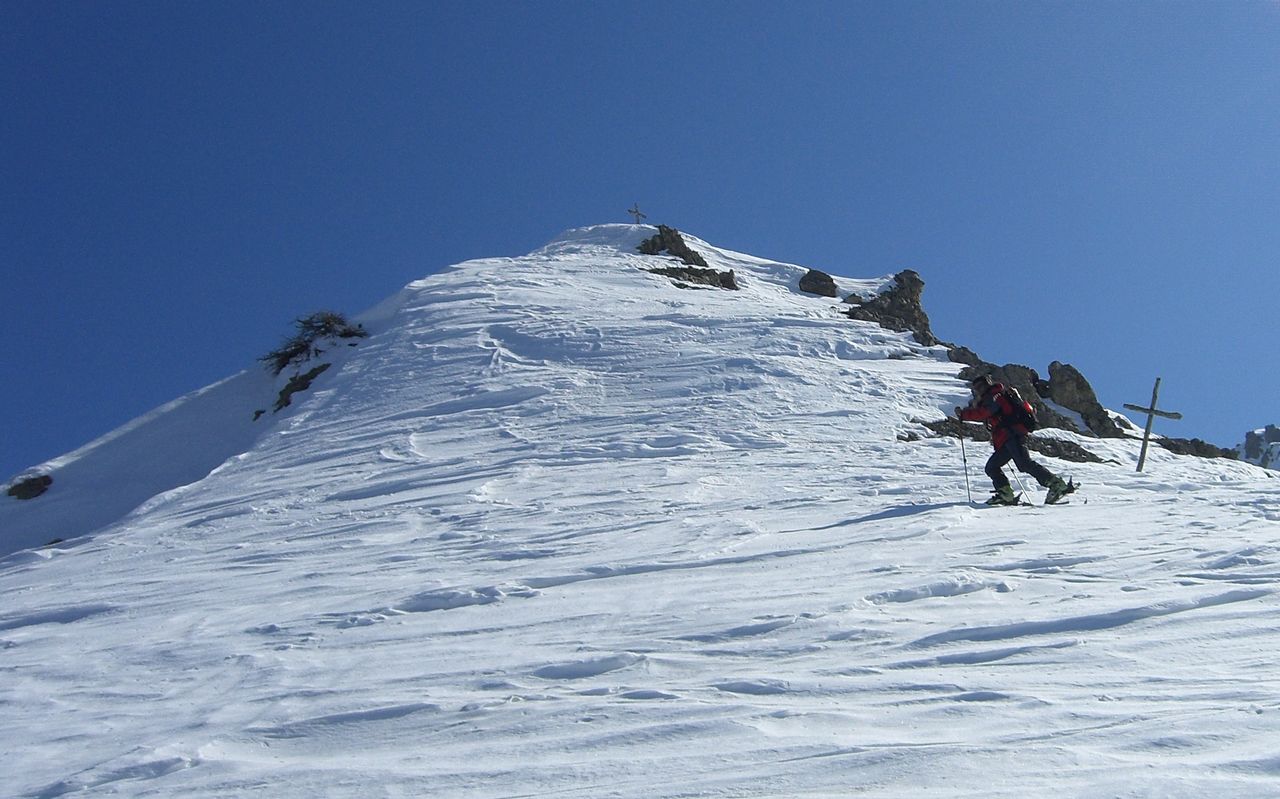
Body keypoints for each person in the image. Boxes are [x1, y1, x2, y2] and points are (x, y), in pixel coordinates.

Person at [956, 375, 1072, 505]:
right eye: (977, 388)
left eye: (980, 386)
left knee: (1023, 464)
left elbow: (984, 413)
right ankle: (1006, 494)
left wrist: (964, 415)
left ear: (987, 384)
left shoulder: (995, 396)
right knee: (992, 467)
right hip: (1007, 438)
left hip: (1012, 435)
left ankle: (1056, 485)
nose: (979, 389)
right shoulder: (996, 396)